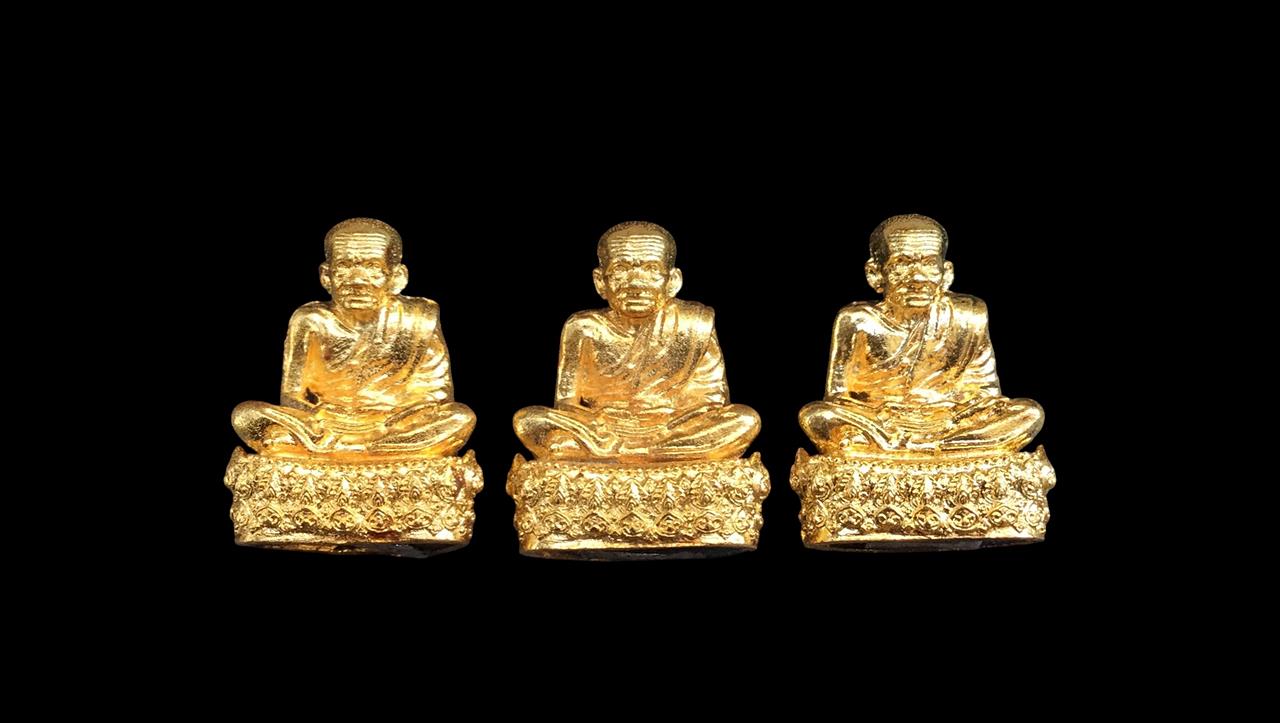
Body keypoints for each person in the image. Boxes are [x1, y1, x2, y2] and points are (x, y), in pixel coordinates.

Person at [514, 221, 759, 462]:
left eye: (651, 269)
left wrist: (662, 421)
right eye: (620, 269)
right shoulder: (582, 327)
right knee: (527, 420)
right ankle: (655, 453)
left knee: (745, 420)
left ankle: (638, 453)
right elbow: (566, 405)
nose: (635, 283)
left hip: (670, 428)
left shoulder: (693, 324)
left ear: (673, 281)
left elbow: (711, 403)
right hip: (604, 430)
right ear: (600, 282)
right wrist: (603, 420)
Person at [799, 214, 1043, 455]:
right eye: (901, 264)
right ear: (875, 273)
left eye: (928, 264)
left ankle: (923, 446)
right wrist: (885, 415)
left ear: (946, 273)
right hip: (882, 421)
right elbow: (838, 398)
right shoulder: (857, 321)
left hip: (949, 420)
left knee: (1029, 413)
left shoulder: (968, 315)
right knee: (816, 416)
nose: (916, 278)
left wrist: (948, 417)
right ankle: (938, 448)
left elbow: (985, 393)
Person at [232, 218, 475, 459]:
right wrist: (327, 418)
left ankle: (345, 450)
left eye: (372, 267)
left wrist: (388, 420)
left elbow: (436, 396)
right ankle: (369, 451)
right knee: (246, 415)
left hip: (391, 424)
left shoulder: (418, 319)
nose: (357, 280)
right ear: (326, 276)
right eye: (344, 266)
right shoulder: (310, 320)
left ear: (397, 277)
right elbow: (293, 397)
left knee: (460, 417)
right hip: (327, 423)